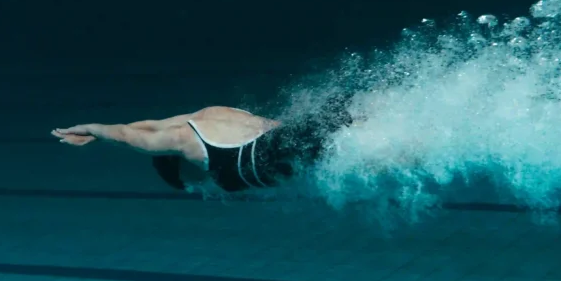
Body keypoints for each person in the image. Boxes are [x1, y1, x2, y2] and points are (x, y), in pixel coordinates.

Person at [52, 96, 353, 193]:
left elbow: (130, 137)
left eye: (188, 182)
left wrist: (91, 128)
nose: (199, 183)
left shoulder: (183, 142)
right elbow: (147, 125)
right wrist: (98, 135)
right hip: (303, 131)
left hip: (301, 146)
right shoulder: (208, 114)